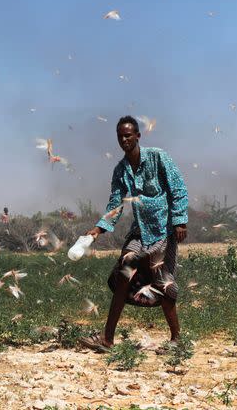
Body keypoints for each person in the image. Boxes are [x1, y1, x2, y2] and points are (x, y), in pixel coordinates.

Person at [80, 115, 188, 352]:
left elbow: (178, 187)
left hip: (162, 231)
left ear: (138, 136)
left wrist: (180, 220)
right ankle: (107, 339)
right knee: (124, 271)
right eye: (120, 136)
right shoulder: (121, 170)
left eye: (128, 135)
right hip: (139, 232)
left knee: (164, 282)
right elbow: (115, 204)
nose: (124, 139)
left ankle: (177, 340)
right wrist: (98, 229)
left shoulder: (158, 157)